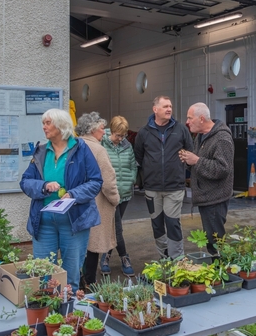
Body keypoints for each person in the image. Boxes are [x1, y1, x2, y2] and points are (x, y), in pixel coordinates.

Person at [20, 108, 102, 291]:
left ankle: (68, 315)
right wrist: (43, 186)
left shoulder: (81, 150)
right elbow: (25, 182)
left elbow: (96, 182)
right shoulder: (40, 152)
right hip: (44, 223)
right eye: (43, 123)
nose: (44, 127)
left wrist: (74, 194)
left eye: (47, 123)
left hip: (73, 223)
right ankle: (47, 315)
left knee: (70, 277)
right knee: (43, 275)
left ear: (61, 125)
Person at [134, 96, 193, 259]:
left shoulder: (180, 130)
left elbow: (190, 152)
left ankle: (177, 259)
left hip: (175, 187)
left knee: (173, 223)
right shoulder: (144, 133)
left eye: (170, 106)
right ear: (155, 109)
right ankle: (164, 257)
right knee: (157, 224)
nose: (169, 109)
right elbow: (138, 157)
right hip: (152, 189)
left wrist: (180, 170)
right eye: (165, 106)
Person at [180, 102, 234, 255]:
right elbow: (199, 164)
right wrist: (188, 160)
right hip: (206, 196)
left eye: (190, 118)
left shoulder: (221, 138)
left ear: (201, 119)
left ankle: (221, 272)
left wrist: (196, 160)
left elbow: (223, 169)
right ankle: (218, 270)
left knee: (216, 241)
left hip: (215, 198)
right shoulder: (201, 137)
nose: (187, 122)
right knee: (212, 239)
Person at [75, 112, 120, 288]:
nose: (105, 132)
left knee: (79, 244)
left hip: (76, 201)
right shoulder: (98, 150)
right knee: (94, 244)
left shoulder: (74, 145)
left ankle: (77, 281)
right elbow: (108, 181)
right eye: (102, 128)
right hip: (96, 203)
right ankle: (90, 283)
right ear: (93, 130)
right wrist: (115, 199)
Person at [100, 115, 138, 277]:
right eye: (117, 135)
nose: (120, 139)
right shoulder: (102, 144)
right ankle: (124, 257)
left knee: (113, 228)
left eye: (123, 136)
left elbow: (132, 165)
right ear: (112, 130)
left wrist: (131, 181)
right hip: (108, 195)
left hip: (124, 194)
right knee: (117, 229)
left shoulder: (127, 146)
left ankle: (106, 256)